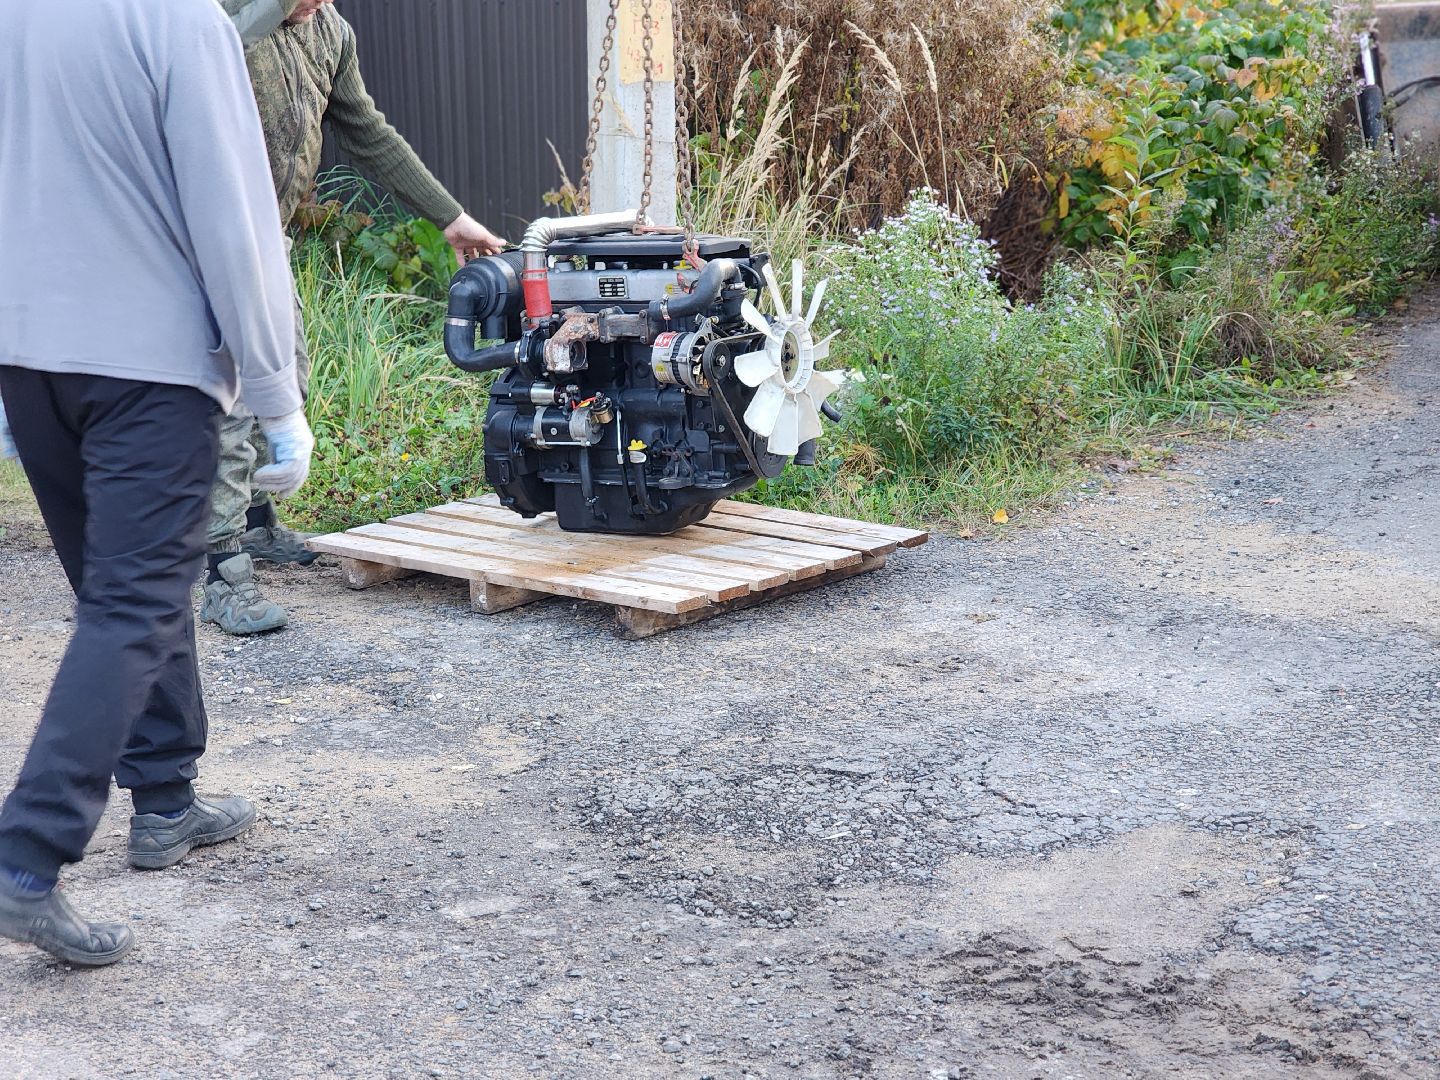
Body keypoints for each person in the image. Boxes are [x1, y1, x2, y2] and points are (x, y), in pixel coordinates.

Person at [0, 0, 311, 966]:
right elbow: (235, 217)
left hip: (31, 358)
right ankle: (25, 859)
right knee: (134, 602)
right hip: (150, 369)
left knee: (123, 585)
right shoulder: (179, 21)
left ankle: (166, 798)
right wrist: (276, 391)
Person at [203, 0, 507, 635]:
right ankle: (223, 570)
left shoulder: (330, 32)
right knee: (227, 403)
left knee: (286, 382)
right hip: (202, 240)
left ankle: (257, 524)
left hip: (269, 242)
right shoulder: (214, 14)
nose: (311, 4)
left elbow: (367, 132)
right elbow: (198, 67)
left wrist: (448, 215)